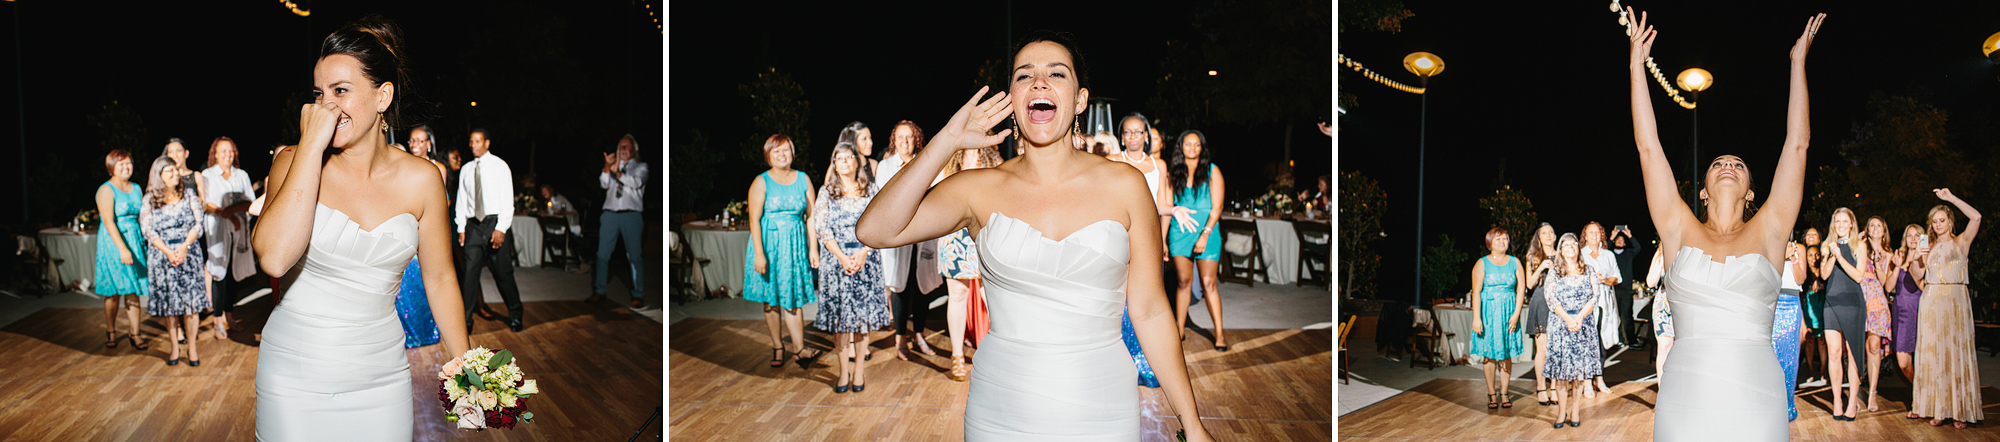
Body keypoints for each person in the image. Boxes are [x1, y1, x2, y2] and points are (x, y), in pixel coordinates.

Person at [854, 30, 1213, 440]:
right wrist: (947, 141)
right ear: (1011, 101)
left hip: (1104, 406)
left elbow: (1149, 311)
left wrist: (1193, 423)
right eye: (1025, 75)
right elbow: (875, 230)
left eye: (1056, 74)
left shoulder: (1125, 185)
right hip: (1001, 410)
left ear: (1079, 99)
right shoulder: (977, 188)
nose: (1039, 82)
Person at [253, 16, 473, 440]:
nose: (327, 106)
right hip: (294, 376)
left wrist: (464, 369)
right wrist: (310, 149)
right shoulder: (292, 163)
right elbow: (276, 258)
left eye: (341, 91)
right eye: (319, 94)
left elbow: (441, 276)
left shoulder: (423, 179)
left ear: (382, 97)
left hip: (381, 377)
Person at [1627, 8, 1821, 440]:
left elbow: (1797, 145)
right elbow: (1648, 148)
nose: (1728, 165)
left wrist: (1798, 63)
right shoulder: (1677, 226)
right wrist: (1636, 68)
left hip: (1757, 391)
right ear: (1702, 189)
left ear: (1752, 190)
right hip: (1685, 392)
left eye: (1738, 164)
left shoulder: (1771, 229)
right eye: (1718, 163)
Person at [811, 143, 890, 393]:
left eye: (849, 157)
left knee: (862, 321)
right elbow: (821, 227)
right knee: (841, 323)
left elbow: (881, 224)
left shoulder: (871, 190)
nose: (844, 161)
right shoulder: (826, 191)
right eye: (839, 158)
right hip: (837, 264)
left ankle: (859, 373)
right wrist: (842, 257)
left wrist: (864, 253)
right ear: (834, 164)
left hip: (865, 261)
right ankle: (843, 372)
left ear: (858, 162)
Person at [744, 134, 821, 369]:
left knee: (793, 298)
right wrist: (759, 253)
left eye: (785, 150)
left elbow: (811, 218)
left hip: (795, 245)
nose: (781, 154)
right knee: (770, 300)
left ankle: (800, 349)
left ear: (792, 153)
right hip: (768, 245)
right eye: (776, 151)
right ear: (768, 155)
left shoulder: (803, 179)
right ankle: (778, 346)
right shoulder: (761, 181)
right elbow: (754, 220)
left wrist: (813, 248)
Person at [1910, 189, 1982, 428]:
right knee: (1934, 356)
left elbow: (1977, 217)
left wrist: (1950, 199)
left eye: (1943, 220)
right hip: (1931, 302)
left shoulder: (1961, 241)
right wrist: (1916, 257)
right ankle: (1938, 409)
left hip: (1956, 301)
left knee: (1956, 354)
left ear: (1950, 222)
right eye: (1935, 221)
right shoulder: (1926, 245)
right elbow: (1917, 276)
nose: (1938, 224)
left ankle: (1960, 410)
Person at [933, 143, 1001, 381]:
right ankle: (957, 356)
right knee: (958, 295)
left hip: (983, 233)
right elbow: (934, 195)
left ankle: (1000, 356)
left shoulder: (992, 158)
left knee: (991, 297)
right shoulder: (950, 160)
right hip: (954, 234)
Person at [877, 121, 943, 361]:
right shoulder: (885, 166)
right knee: (900, 287)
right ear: (894, 140)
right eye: (900, 137)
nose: (905, 142)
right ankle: (900, 338)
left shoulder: (925, 163)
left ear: (917, 139)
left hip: (923, 234)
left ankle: (919, 335)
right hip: (900, 236)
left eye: (909, 137)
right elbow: (885, 198)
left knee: (922, 287)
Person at [456, 128, 526, 332]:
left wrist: (501, 228)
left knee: (503, 273)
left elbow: (507, 199)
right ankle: (465, 321)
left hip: (495, 223)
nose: (473, 145)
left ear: (487, 143)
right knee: (470, 275)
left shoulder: (500, 166)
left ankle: (515, 314)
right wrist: (461, 227)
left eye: (477, 141)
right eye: (471, 141)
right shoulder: (466, 169)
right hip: (473, 226)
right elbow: (462, 200)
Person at [144, 156, 208, 368]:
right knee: (169, 307)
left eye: (175, 169)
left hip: (188, 253)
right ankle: (173, 346)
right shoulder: (150, 199)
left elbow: (199, 223)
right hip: (162, 256)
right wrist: (168, 251)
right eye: (168, 171)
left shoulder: (189, 194)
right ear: (158, 176)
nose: (175, 174)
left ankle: (192, 348)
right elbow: (148, 230)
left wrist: (184, 247)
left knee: (191, 305)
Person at [388, 127, 449, 349]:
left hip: (428, 225)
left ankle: (425, 330)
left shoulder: (437, 169)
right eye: (412, 140)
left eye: (420, 140)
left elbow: (440, 203)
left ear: (428, 144)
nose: (415, 144)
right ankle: (404, 332)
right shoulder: (404, 165)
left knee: (430, 278)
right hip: (405, 226)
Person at [1170, 129, 1228, 351]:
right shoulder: (1173, 172)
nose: (1192, 148)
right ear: (1181, 147)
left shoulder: (1213, 171)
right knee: (1184, 282)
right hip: (1180, 232)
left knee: (1208, 283)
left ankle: (1220, 334)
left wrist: (1204, 234)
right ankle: (1179, 330)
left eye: (1197, 145)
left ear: (1202, 148)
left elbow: (1218, 207)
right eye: (1187, 144)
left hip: (1208, 231)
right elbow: (1168, 204)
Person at [1543, 233, 1602, 429]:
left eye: (1573, 244)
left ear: (1578, 248)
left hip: (1582, 326)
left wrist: (1579, 318)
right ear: (1560, 249)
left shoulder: (1589, 270)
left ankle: (1575, 410)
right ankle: (1561, 411)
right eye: (1565, 244)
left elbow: (1595, 298)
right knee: (1560, 374)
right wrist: (1568, 318)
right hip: (1561, 326)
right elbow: (1550, 299)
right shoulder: (1554, 272)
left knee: (1578, 373)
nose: (1570, 247)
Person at [200, 137, 256, 341]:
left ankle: (229, 314)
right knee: (218, 273)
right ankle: (217, 319)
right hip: (217, 230)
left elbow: (250, 201)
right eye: (223, 151)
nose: (227, 155)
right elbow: (206, 203)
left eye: (231, 151)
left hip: (238, 230)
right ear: (215, 154)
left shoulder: (242, 175)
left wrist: (233, 211)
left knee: (233, 274)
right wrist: (229, 214)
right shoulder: (208, 175)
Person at [93, 149, 150, 351]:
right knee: (115, 291)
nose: (126, 167)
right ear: (111, 167)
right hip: (114, 243)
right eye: (121, 164)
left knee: (133, 290)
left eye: (128, 163)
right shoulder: (106, 190)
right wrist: (123, 249)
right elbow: (108, 221)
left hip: (135, 240)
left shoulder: (136, 188)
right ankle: (111, 330)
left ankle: (135, 332)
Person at [1818, 208, 1865, 421]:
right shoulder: (1827, 246)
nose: (1841, 225)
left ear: (1852, 224)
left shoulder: (1859, 246)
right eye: (1837, 221)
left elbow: (1858, 276)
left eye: (1845, 221)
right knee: (1834, 353)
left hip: (1853, 304)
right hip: (1831, 303)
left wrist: (1840, 256)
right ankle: (1837, 399)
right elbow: (1824, 274)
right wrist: (1831, 255)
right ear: (1833, 224)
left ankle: (1852, 402)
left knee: (1852, 353)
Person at [1469, 227, 1524, 409]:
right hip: (1489, 313)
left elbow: (1521, 290)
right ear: (1490, 242)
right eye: (1499, 239)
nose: (1503, 242)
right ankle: (1492, 393)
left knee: (1506, 354)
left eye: (1506, 239)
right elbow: (1476, 292)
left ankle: (1504, 392)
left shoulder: (1515, 262)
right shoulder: (1481, 263)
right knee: (1489, 355)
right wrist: (1477, 318)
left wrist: (1516, 314)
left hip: (1508, 312)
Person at [594, 134, 650, 308]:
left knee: (634, 256)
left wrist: (617, 172)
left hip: (631, 215)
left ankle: (638, 294)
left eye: (626, 147)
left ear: (634, 150)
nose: (623, 150)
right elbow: (603, 184)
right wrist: (606, 166)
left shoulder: (641, 167)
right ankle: (600, 291)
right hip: (610, 214)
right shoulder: (611, 167)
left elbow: (636, 183)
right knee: (602, 254)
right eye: (621, 147)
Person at [1577, 222, 1621, 396]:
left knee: (1601, 342)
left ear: (1602, 235)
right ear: (1585, 236)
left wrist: (1605, 280)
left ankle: (1599, 378)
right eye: (1591, 232)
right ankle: (1587, 382)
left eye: (1598, 232)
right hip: (1585, 304)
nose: (1595, 235)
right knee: (1587, 342)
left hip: (1605, 302)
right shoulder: (1580, 254)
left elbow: (1617, 278)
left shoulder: (1608, 255)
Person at [1859, 215, 1894, 411]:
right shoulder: (1860, 246)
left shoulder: (1888, 254)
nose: (1875, 227)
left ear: (1883, 230)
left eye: (1878, 225)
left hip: (1876, 301)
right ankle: (1855, 388)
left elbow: (1886, 284)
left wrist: (1880, 263)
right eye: (1871, 224)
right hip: (1858, 297)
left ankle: (1872, 393)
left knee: (1873, 347)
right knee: (1855, 345)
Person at [1522, 223, 1559, 405]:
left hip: (1558, 304)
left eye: (1551, 232)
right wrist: (1541, 267)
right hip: (1540, 302)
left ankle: (1554, 387)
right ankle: (1541, 387)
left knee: (1556, 348)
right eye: (1544, 232)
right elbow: (1529, 284)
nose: (1548, 235)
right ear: (1539, 237)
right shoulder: (1533, 257)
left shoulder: (1562, 255)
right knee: (1542, 349)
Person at [1776, 241, 1808, 421]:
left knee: (1790, 357)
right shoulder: (1770, 244)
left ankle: (1789, 407)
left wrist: (1793, 257)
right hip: (1773, 302)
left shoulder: (1799, 248)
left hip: (1792, 304)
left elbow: (1801, 279)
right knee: (1772, 355)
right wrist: (1782, 256)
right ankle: (1773, 406)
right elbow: (1770, 275)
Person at [1890, 224, 1923, 387]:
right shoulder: (1898, 258)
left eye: (1917, 235)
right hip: (1901, 312)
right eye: (1909, 235)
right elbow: (1889, 287)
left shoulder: (1926, 259)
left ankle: (1920, 399)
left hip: (1920, 311)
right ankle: (1919, 391)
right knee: (1903, 362)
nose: (1913, 239)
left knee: (1922, 359)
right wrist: (1897, 266)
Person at [1609, 225, 1643, 345]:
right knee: (1615, 316)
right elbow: (1604, 248)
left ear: (1624, 244)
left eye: (1622, 240)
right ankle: (1617, 340)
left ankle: (1632, 341)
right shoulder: (1609, 254)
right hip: (1613, 289)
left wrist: (1629, 235)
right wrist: (1612, 235)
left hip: (1627, 290)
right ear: (1614, 242)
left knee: (1628, 316)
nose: (1619, 241)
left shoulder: (1629, 253)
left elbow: (1638, 248)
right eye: (1617, 239)